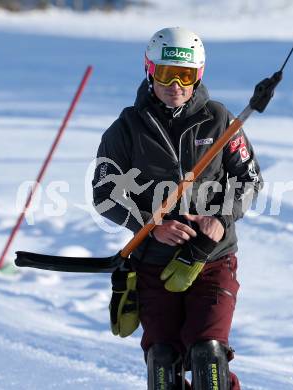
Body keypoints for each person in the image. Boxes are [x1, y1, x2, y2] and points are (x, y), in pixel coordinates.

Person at [93, 26, 263, 390]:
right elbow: (104, 194)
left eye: (186, 76)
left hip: (212, 259)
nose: (176, 85)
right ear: (149, 70)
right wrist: (151, 225)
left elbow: (250, 181)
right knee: (164, 362)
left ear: (198, 74)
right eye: (167, 74)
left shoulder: (219, 121)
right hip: (153, 262)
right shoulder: (126, 129)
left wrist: (220, 217)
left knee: (208, 353)